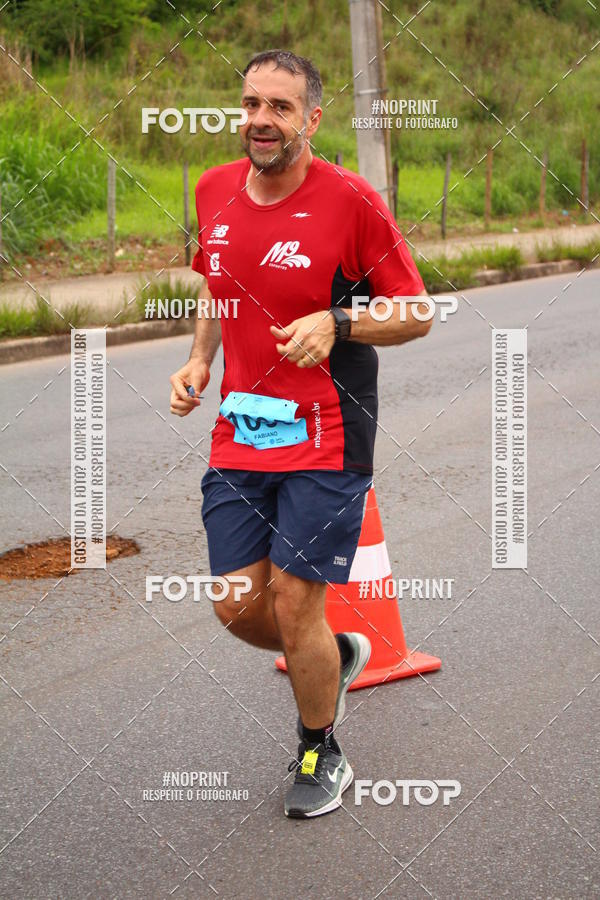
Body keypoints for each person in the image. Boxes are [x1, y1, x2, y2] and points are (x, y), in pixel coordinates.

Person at [169, 49, 431, 818]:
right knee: (235, 604)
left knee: (293, 599)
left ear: (311, 119)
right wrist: (198, 359)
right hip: (243, 429)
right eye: (252, 103)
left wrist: (339, 321)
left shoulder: (351, 201)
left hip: (329, 430)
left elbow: (416, 311)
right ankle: (335, 654)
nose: (262, 120)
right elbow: (217, 284)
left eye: (280, 107)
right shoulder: (213, 188)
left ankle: (321, 751)